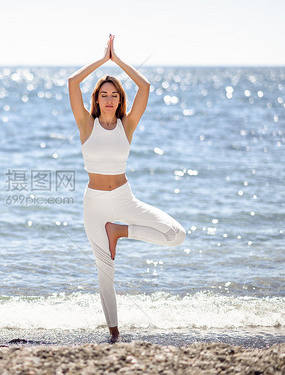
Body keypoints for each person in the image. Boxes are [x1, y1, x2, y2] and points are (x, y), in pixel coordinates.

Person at [67, 35, 186, 343]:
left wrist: (117, 60)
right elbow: (71, 81)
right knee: (105, 273)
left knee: (176, 235)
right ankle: (114, 333)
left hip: (124, 200)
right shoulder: (86, 124)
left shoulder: (127, 125)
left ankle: (120, 231)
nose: (109, 99)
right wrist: (101, 59)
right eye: (103, 94)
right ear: (96, 99)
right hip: (94, 204)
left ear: (120, 99)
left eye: (114, 94)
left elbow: (145, 87)